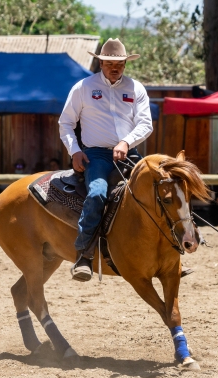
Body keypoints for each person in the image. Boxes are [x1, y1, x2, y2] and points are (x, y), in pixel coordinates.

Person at [58, 38, 152, 282]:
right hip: (96, 154)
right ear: (101, 62)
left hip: (128, 152)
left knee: (155, 190)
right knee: (98, 193)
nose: (115, 67)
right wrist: (75, 151)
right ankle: (84, 255)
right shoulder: (83, 87)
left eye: (119, 63)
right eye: (110, 62)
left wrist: (126, 142)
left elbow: (146, 124)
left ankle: (165, 251)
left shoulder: (136, 88)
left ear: (124, 64)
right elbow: (66, 123)